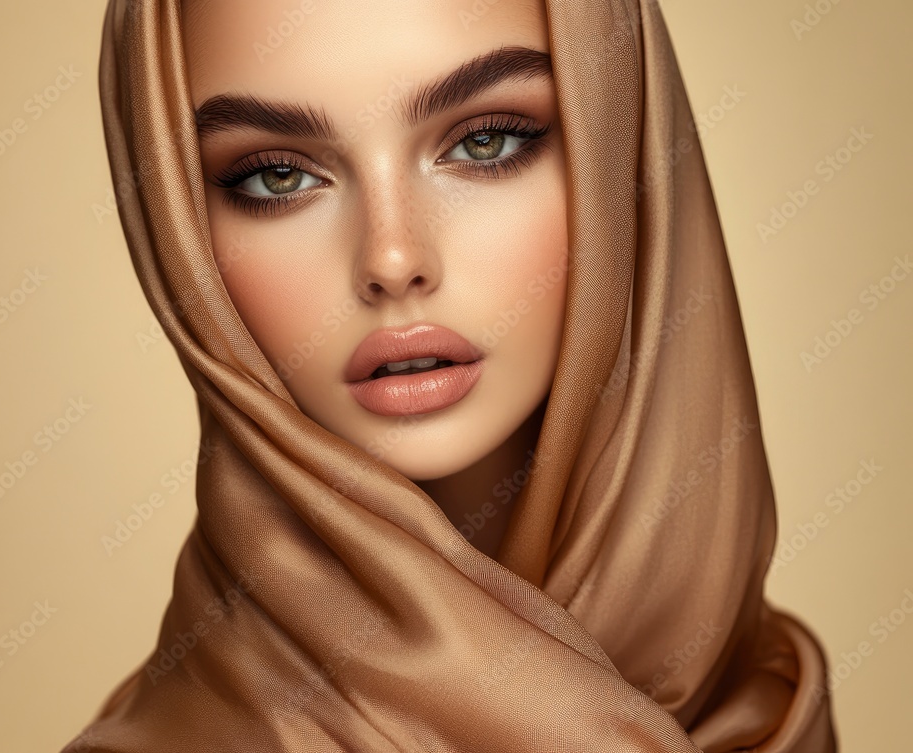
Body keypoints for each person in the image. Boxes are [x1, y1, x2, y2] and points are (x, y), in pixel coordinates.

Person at [65, 0, 839, 750]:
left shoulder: (765, 706)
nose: (392, 259)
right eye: (276, 177)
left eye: (486, 143)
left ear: (622, 143)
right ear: (174, 229)